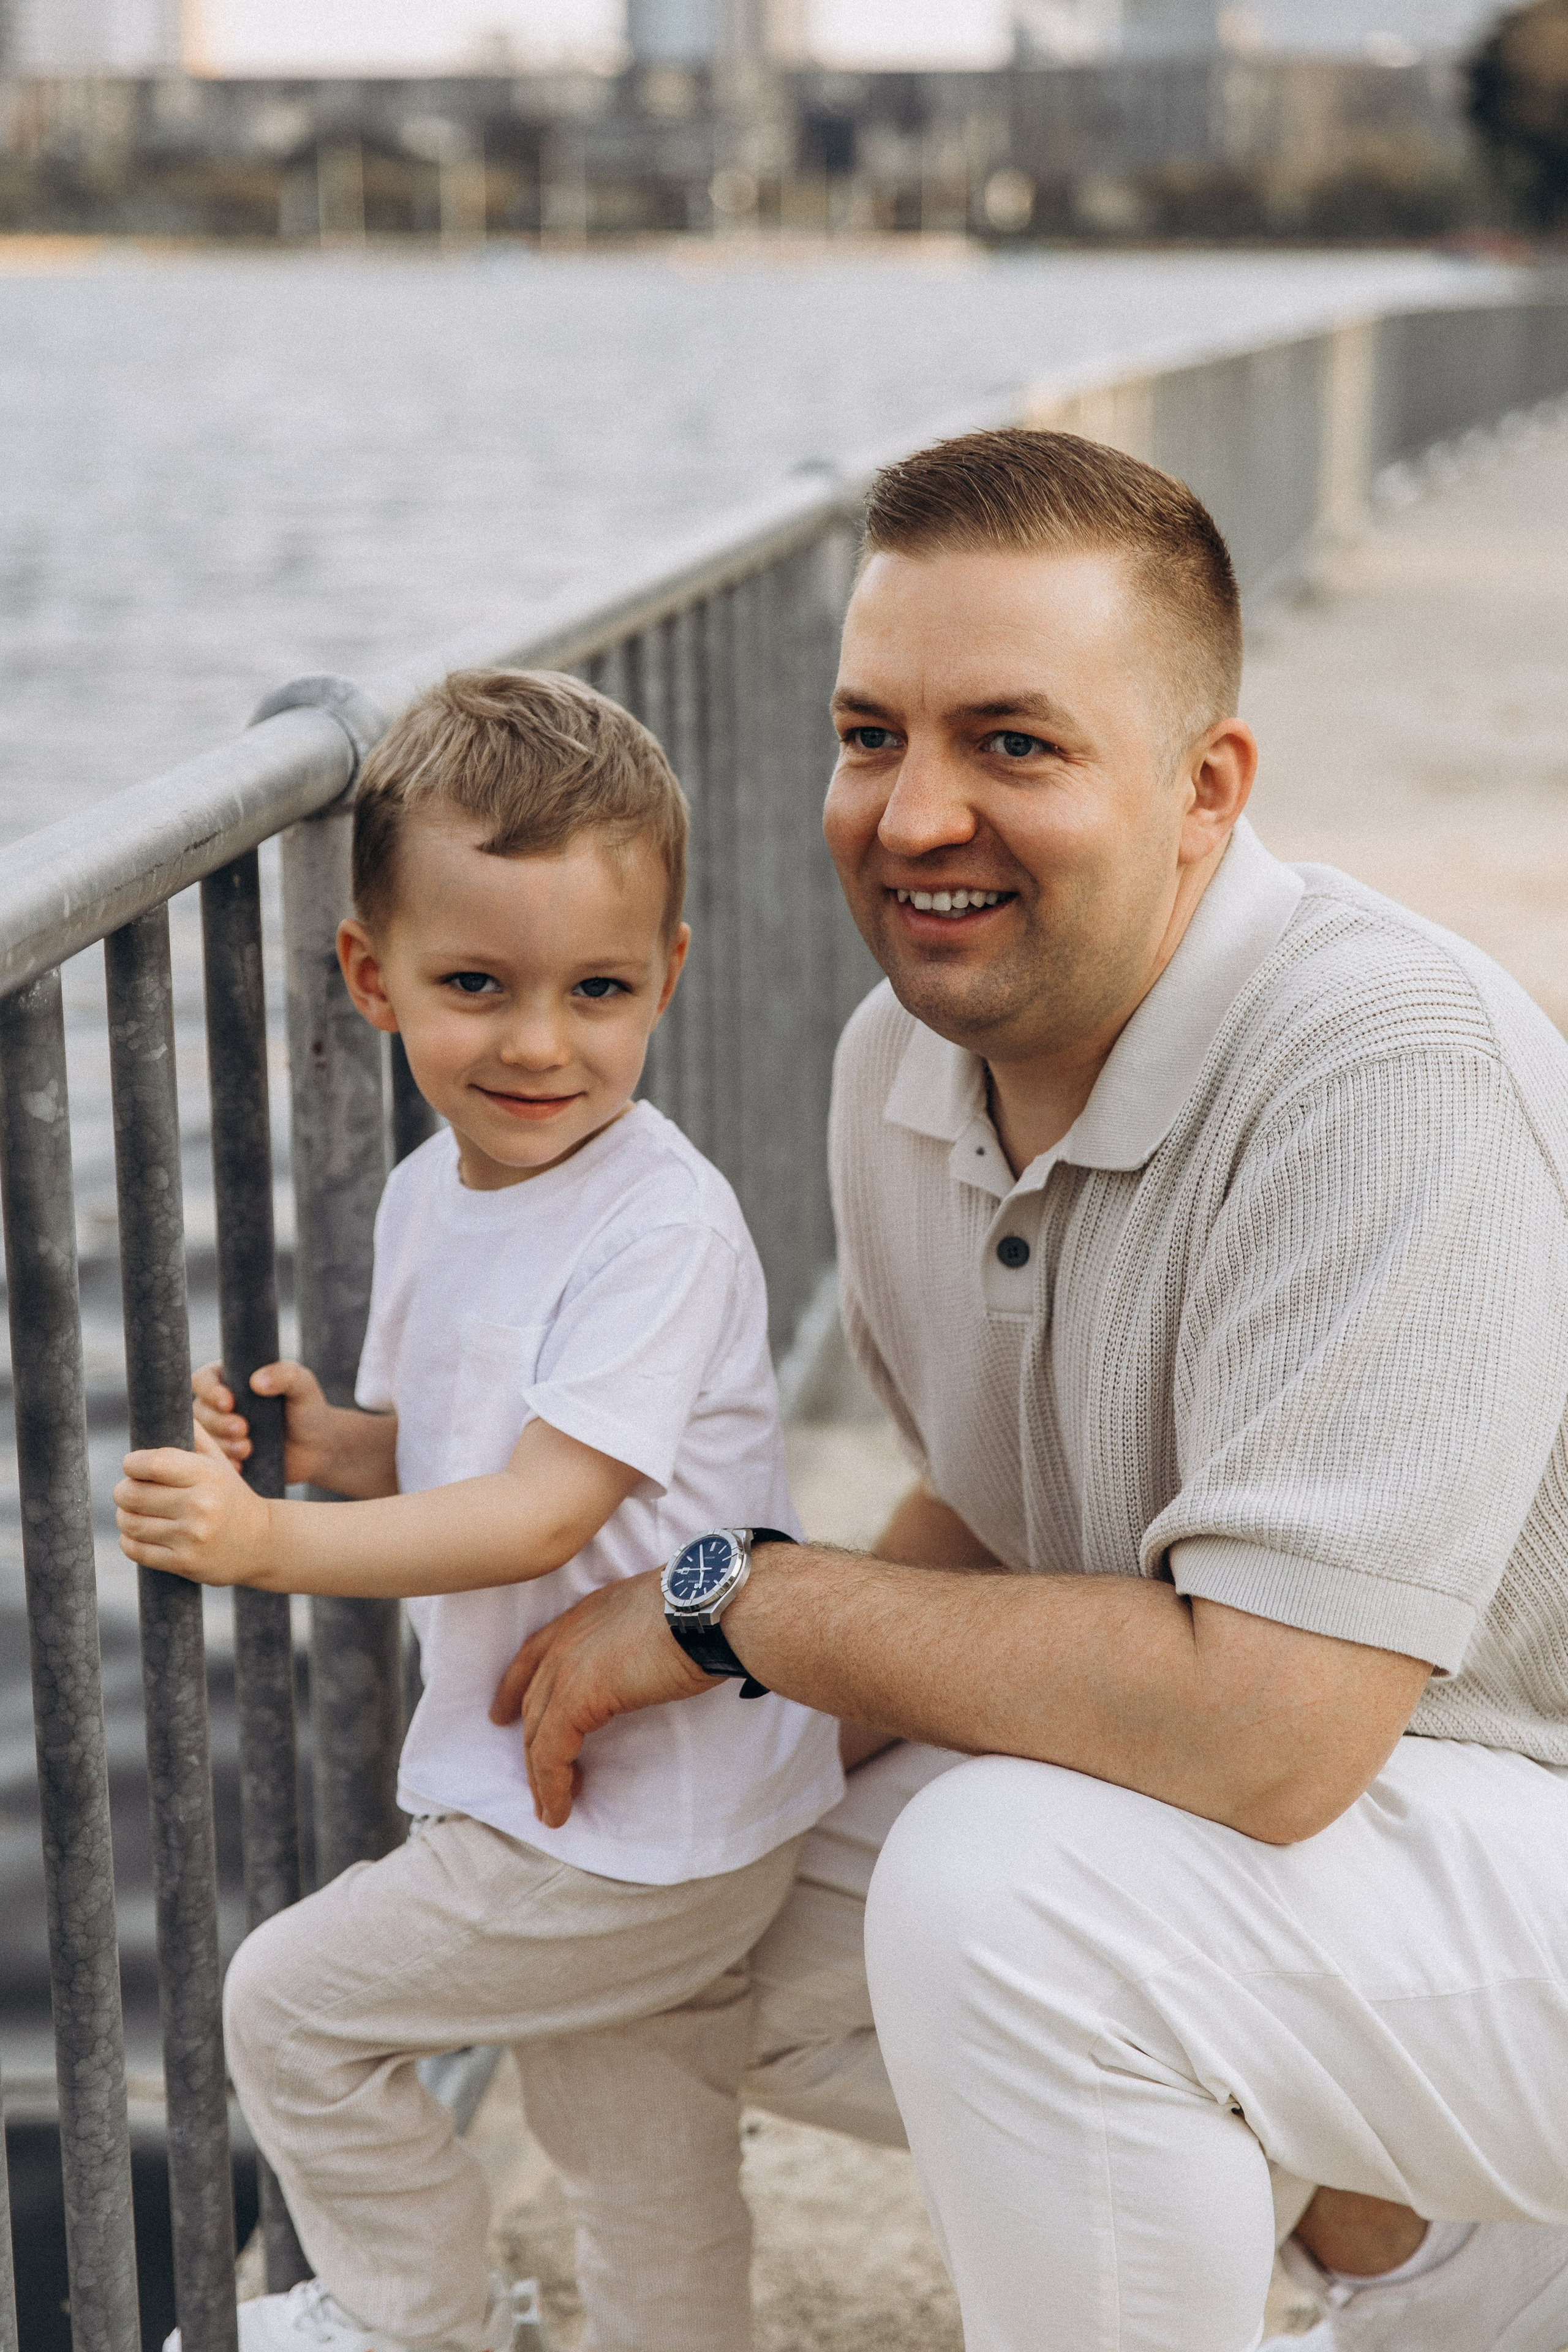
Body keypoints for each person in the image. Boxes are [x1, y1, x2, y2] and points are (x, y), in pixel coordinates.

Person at [503, 430, 1568, 2352]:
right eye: (868, 734)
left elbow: (1269, 1732)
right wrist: (719, 1752)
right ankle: (1423, 2252)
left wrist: (744, 1606)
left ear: (1205, 790)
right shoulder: (894, 1065)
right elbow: (991, 1516)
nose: (913, 818)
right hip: (1374, 1881)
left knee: (1016, 1902)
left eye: (1013, 743)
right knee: (625, 1897)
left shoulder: (1385, 1067)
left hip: (1518, 1833)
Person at [115, 668, 844, 2352]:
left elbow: (531, 1515)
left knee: (288, 2008)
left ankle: (402, 2314)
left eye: (597, 988)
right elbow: (472, 1448)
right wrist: (340, 1449)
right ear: (373, 978)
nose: (538, 1042)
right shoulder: (434, 1193)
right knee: (637, 2153)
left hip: (623, 1825)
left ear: (669, 974)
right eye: (477, 984)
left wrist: (265, 1547)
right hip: (646, 1805)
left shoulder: (659, 1223)